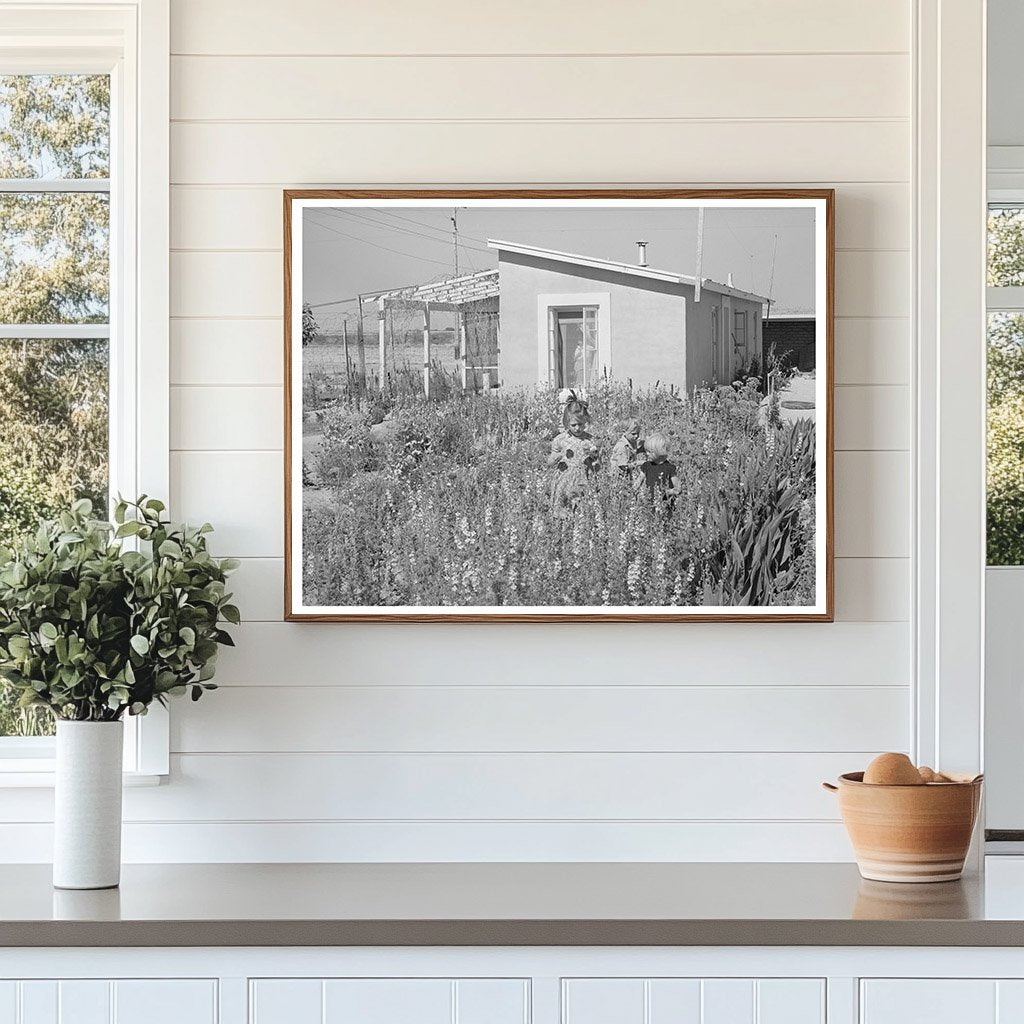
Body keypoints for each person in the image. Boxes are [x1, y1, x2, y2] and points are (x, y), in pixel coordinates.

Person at [548, 396, 599, 518]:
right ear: (566, 423)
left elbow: (597, 466)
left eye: (581, 424)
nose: (577, 428)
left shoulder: (590, 440)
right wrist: (556, 458)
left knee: (582, 513)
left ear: (586, 421)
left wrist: (594, 457)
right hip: (563, 481)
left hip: (583, 481)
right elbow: (549, 462)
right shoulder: (560, 439)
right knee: (562, 512)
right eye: (573, 425)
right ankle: (561, 531)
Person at [636, 432, 681, 510]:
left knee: (665, 521)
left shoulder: (670, 468)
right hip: (649, 503)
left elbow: (677, 489)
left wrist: (668, 492)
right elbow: (638, 481)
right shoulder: (646, 466)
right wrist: (634, 492)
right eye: (646, 451)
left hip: (665, 504)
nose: (646, 453)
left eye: (650, 451)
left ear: (660, 452)